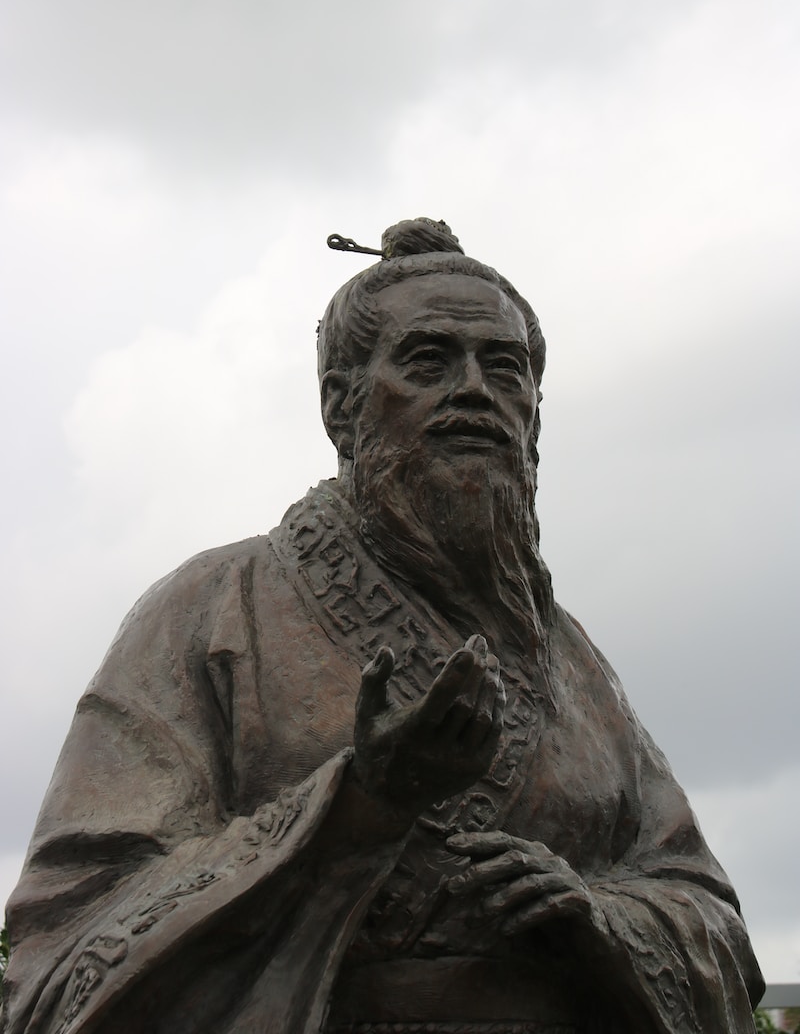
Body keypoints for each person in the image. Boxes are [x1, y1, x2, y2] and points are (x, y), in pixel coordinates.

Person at [1, 220, 763, 1034]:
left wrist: (598, 916)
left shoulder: (577, 668)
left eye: (504, 369)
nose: (475, 389)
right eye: (429, 362)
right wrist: (360, 805)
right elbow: (69, 948)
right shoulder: (208, 610)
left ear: (535, 415)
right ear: (341, 404)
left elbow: (709, 914)